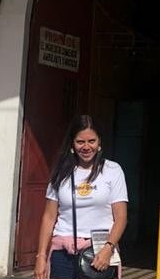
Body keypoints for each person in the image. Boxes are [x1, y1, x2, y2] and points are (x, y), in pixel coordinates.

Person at [35, 115, 128, 279]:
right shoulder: (60, 173)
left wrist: (108, 249)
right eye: (80, 142)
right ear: (72, 143)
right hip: (62, 254)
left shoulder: (113, 170)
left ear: (99, 142)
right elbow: (49, 217)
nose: (86, 147)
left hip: (99, 253)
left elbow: (121, 217)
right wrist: (41, 256)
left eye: (91, 141)